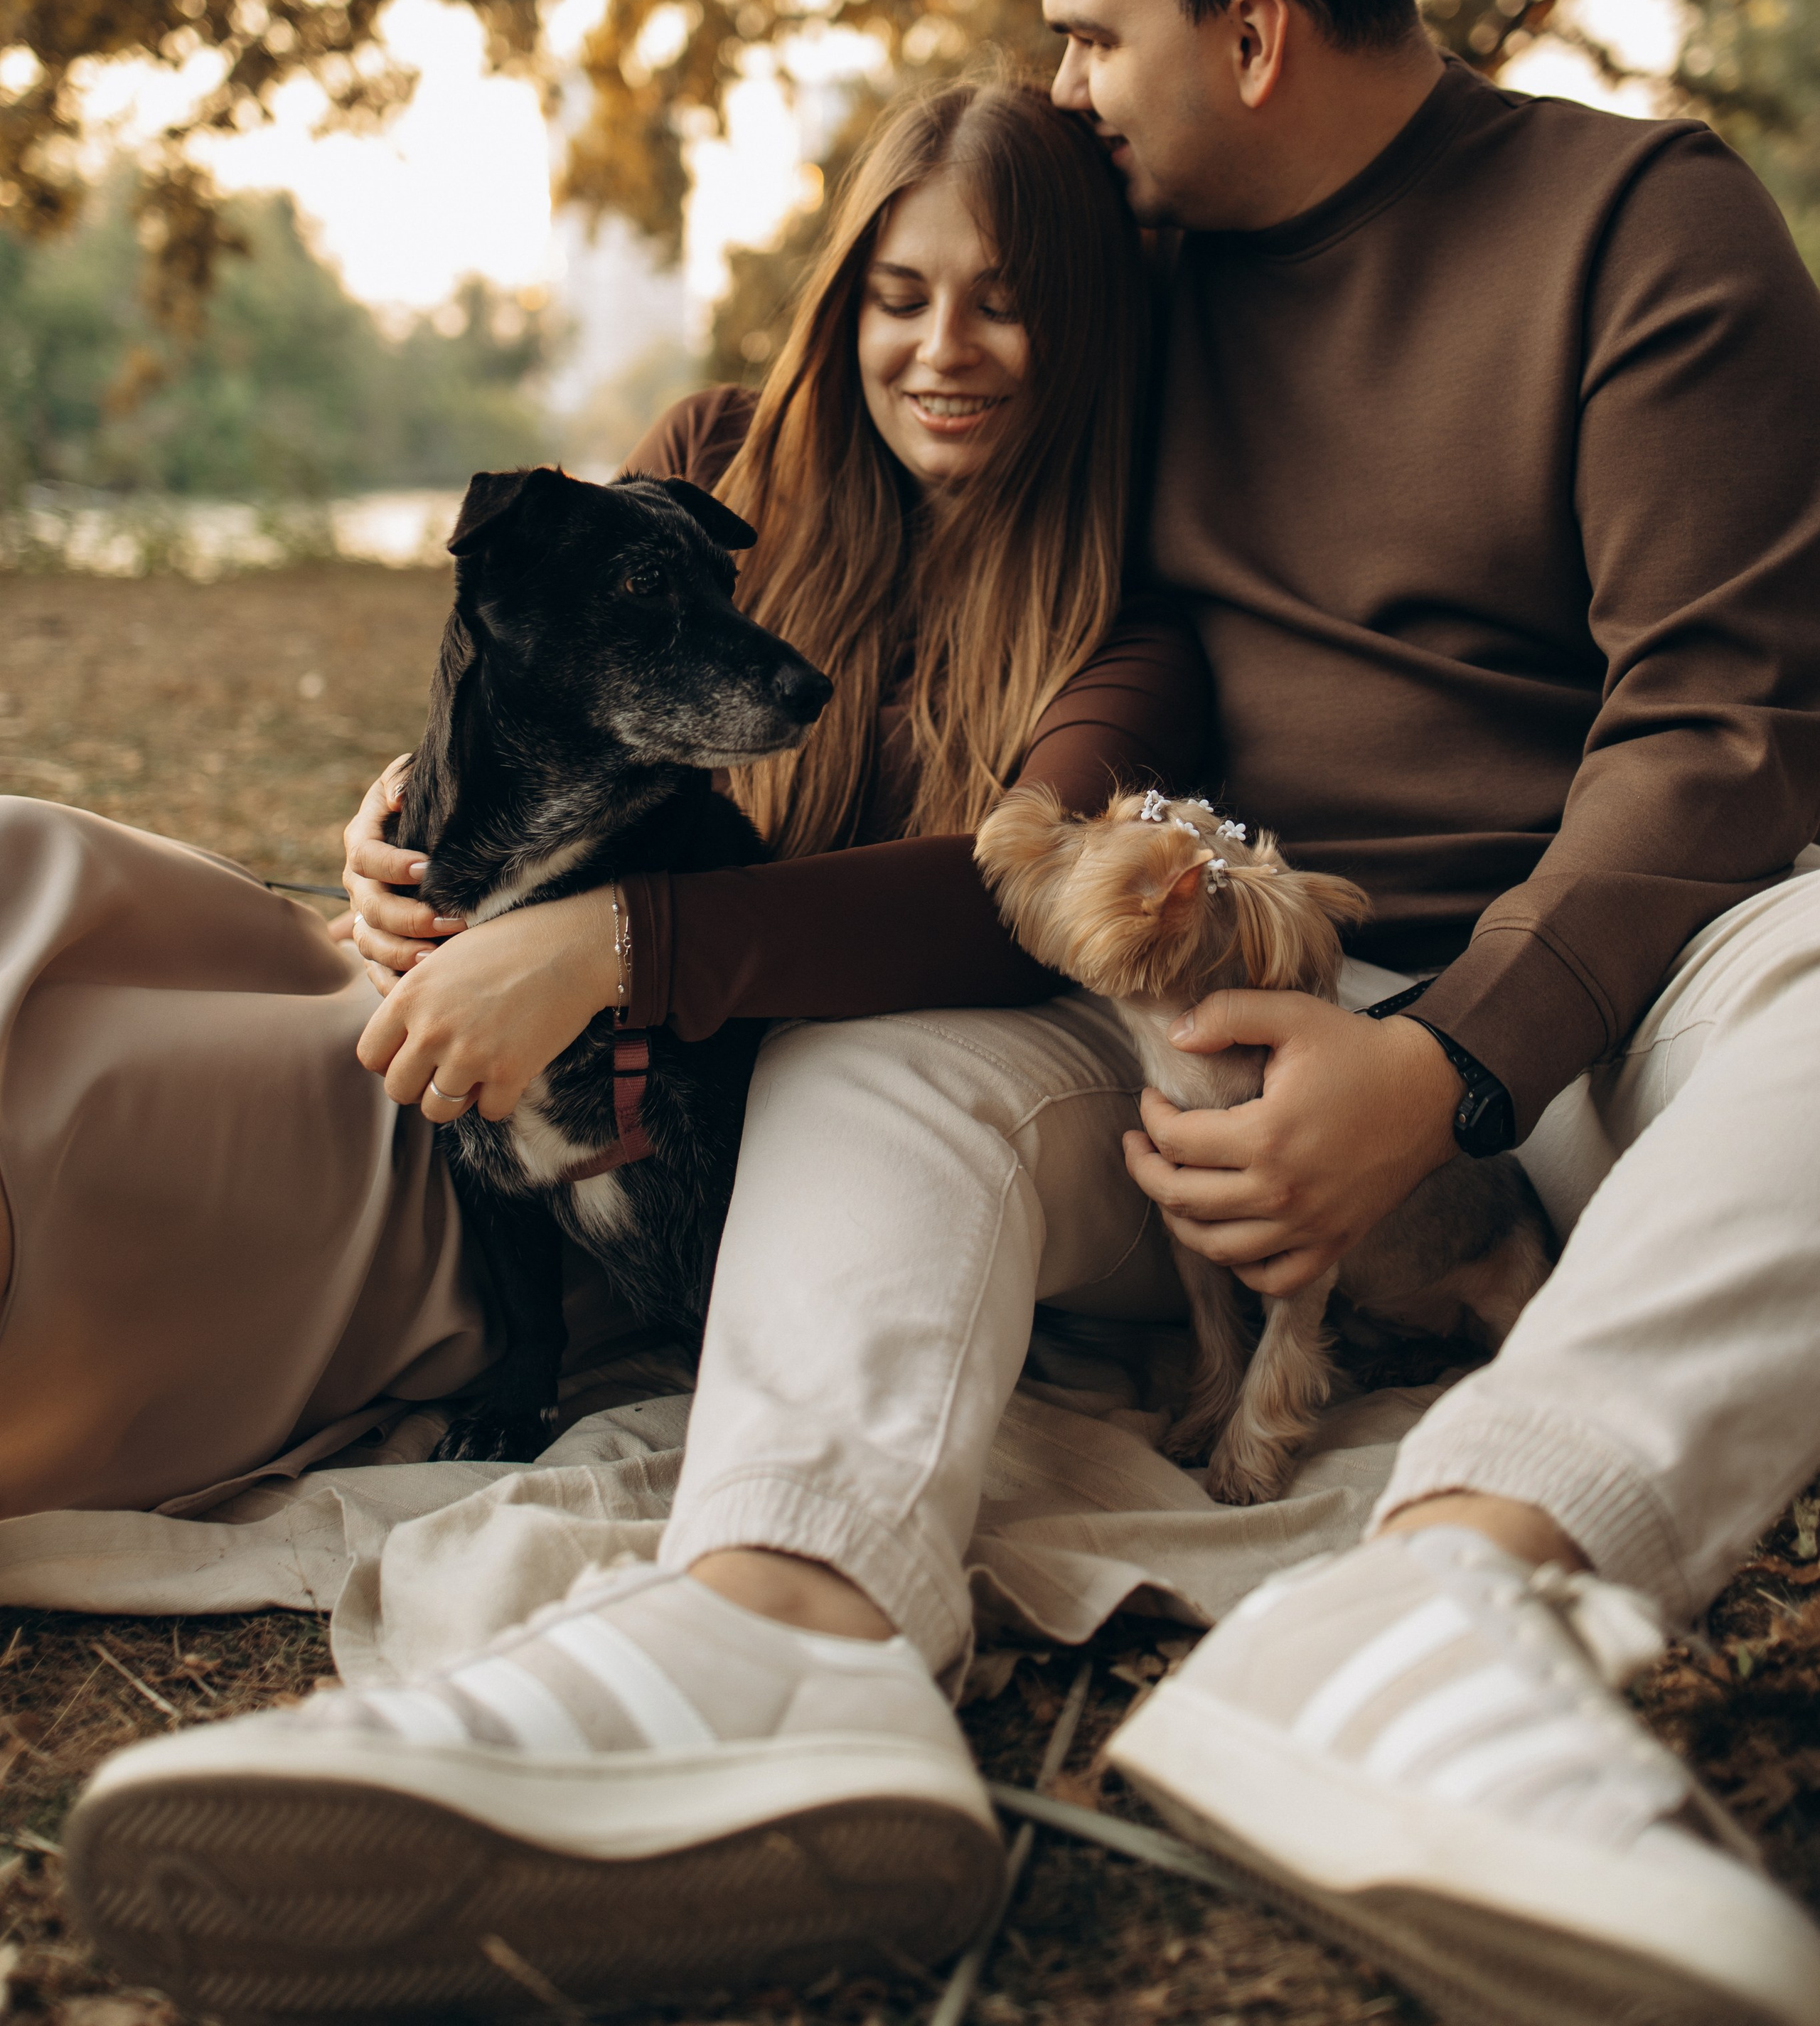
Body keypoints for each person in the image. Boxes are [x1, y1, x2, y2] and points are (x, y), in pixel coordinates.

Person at [68, 0, 1820, 2026]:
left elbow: (1726, 736)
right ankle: (785, 1622)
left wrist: (1445, 1068)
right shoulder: (1117, 269)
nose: (1061, 83)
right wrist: (460, 792)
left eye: (1094, 35)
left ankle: (1458, 1589)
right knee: (882, 1054)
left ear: (1257, 35)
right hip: (1164, 981)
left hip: (1594, 998)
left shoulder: (1641, 230)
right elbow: (831, 428)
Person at [0, 80, 1204, 1545]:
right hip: (451, 1003)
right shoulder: (711, 458)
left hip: (671, 1142)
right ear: (843, 307)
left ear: (1078, 327)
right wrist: (395, 831)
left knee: (145, 1140)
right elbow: (528, 674)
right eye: (897, 296)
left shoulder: (1123, 633)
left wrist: (607, 947)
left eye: (1001, 305)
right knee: (34, 869)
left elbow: (1015, 900)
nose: (940, 350)